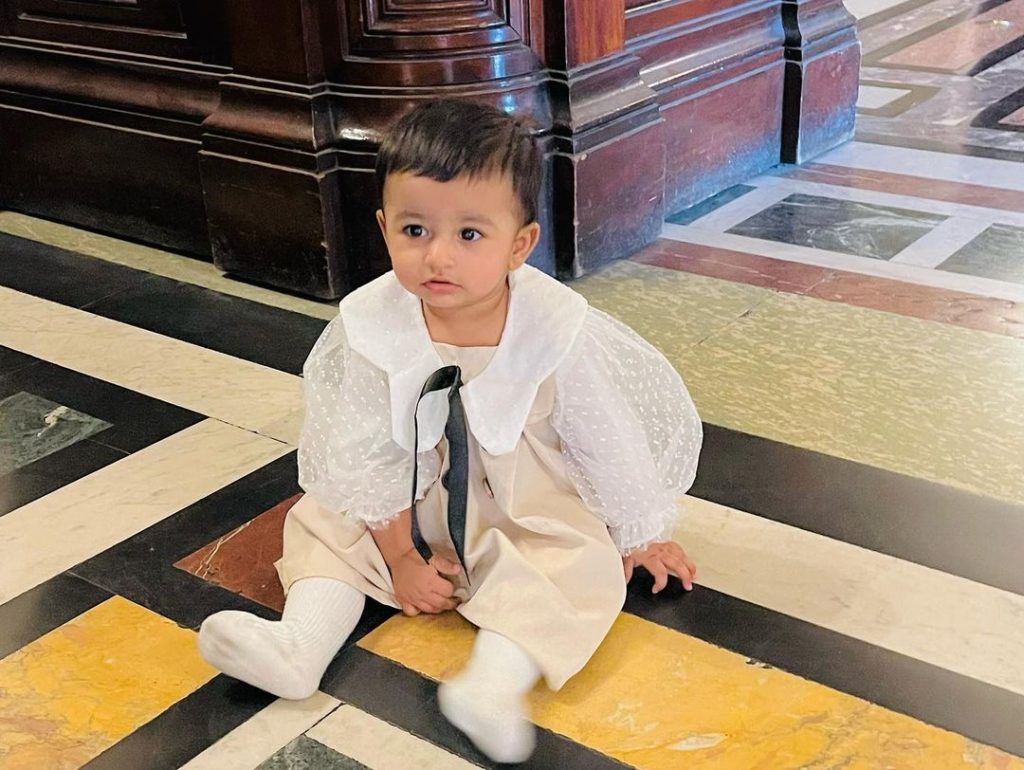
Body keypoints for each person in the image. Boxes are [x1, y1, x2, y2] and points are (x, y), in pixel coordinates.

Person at [198, 99, 702, 764]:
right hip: (403, 494)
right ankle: (300, 645)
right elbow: (363, 451)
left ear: (519, 243)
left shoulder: (553, 327)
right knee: (326, 522)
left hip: (520, 500)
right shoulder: (373, 324)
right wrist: (403, 556)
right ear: (383, 228)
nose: (437, 257)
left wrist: (641, 532)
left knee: (575, 559)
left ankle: (492, 686)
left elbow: (603, 435)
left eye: (469, 235)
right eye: (413, 230)